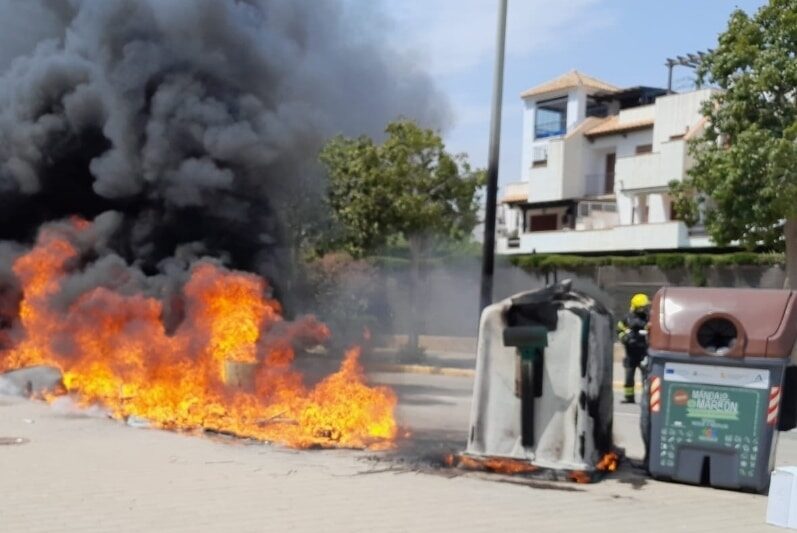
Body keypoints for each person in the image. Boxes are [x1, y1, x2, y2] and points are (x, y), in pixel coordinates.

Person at [617, 293, 650, 404]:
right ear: (635, 306)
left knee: (646, 377)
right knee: (629, 377)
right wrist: (625, 338)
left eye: (645, 307)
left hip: (643, 353)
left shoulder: (648, 318)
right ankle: (629, 397)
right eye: (642, 307)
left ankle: (647, 398)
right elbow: (619, 330)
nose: (644, 309)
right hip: (630, 353)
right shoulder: (627, 318)